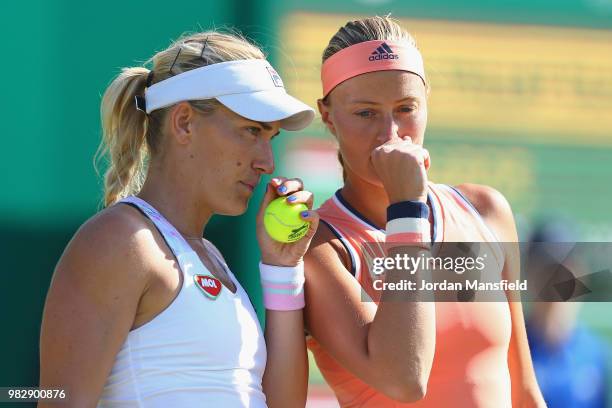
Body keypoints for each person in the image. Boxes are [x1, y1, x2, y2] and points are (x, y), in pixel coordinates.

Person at [39, 31, 318, 407]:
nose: (266, 162)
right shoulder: (120, 240)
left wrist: (283, 267)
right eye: (251, 131)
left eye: (270, 137)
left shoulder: (210, 258)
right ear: (184, 121)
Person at [303, 16, 547, 407]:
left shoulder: (485, 210)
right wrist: (406, 211)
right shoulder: (319, 246)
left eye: (405, 108)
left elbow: (524, 390)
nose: (390, 134)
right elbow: (404, 379)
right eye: (366, 113)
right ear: (328, 116)